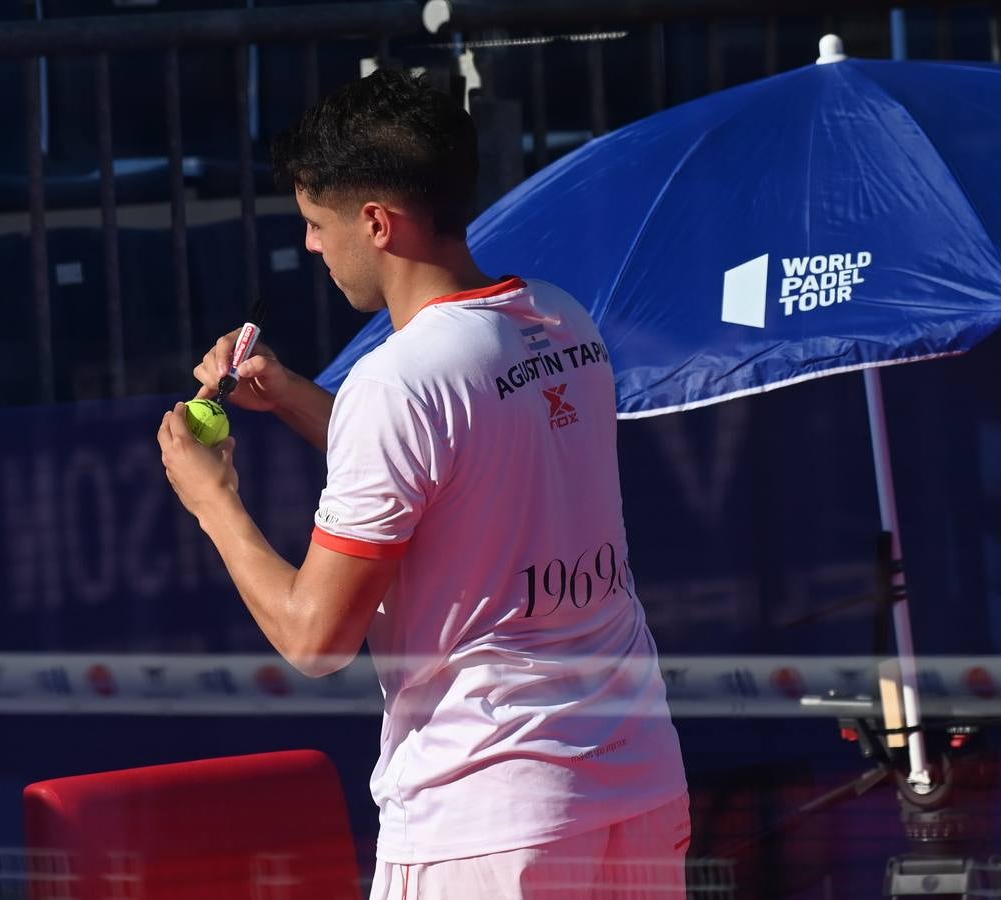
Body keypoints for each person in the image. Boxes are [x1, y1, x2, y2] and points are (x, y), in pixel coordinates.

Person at [157, 68, 689, 899]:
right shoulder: (561, 318)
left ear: (375, 222)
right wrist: (296, 399)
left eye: (315, 223)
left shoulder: (397, 383)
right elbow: (452, 475)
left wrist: (211, 500)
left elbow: (315, 640)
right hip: (639, 786)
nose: (310, 247)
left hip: (485, 823)